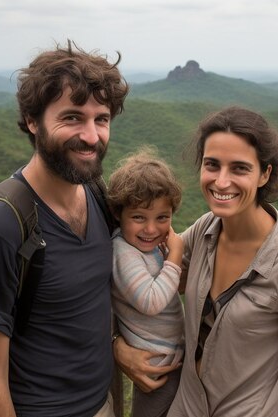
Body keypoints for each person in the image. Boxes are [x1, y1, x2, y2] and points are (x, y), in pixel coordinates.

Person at [114, 106, 278, 417]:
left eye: (240, 168)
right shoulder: (205, 232)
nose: (221, 181)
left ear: (264, 174)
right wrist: (117, 345)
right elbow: (138, 257)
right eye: (212, 165)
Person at [0, 40, 128, 417]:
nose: (91, 136)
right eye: (72, 117)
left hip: (103, 404)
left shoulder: (97, 196)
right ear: (33, 121)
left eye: (101, 119)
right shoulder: (1, 223)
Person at [107, 149, 185, 417]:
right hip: (155, 367)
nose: (151, 229)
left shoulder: (146, 247)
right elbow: (151, 302)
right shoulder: (123, 253)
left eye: (162, 218)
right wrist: (174, 257)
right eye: (139, 217)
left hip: (168, 360)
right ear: (119, 214)